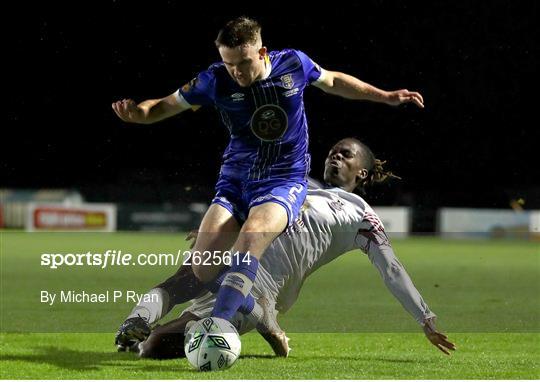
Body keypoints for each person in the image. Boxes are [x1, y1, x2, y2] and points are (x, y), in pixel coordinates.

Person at [112, 16, 424, 333]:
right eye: (229, 63)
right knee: (203, 269)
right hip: (235, 182)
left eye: (243, 63)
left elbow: (332, 81)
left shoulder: (293, 64)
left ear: (262, 53)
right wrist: (139, 114)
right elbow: (163, 106)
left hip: (283, 181)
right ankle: (260, 314)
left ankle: (216, 329)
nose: (237, 72)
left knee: (251, 239)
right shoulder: (214, 80)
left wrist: (384, 96)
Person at [117, 138, 455, 359]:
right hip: (233, 255)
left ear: (361, 171)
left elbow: (391, 269)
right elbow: (244, 203)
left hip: (266, 285)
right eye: (332, 152)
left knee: (155, 347)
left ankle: (258, 315)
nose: (335, 156)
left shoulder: (362, 216)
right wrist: (216, 229)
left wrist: (424, 317)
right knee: (181, 279)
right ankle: (134, 323)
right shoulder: (294, 184)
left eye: (345, 154)